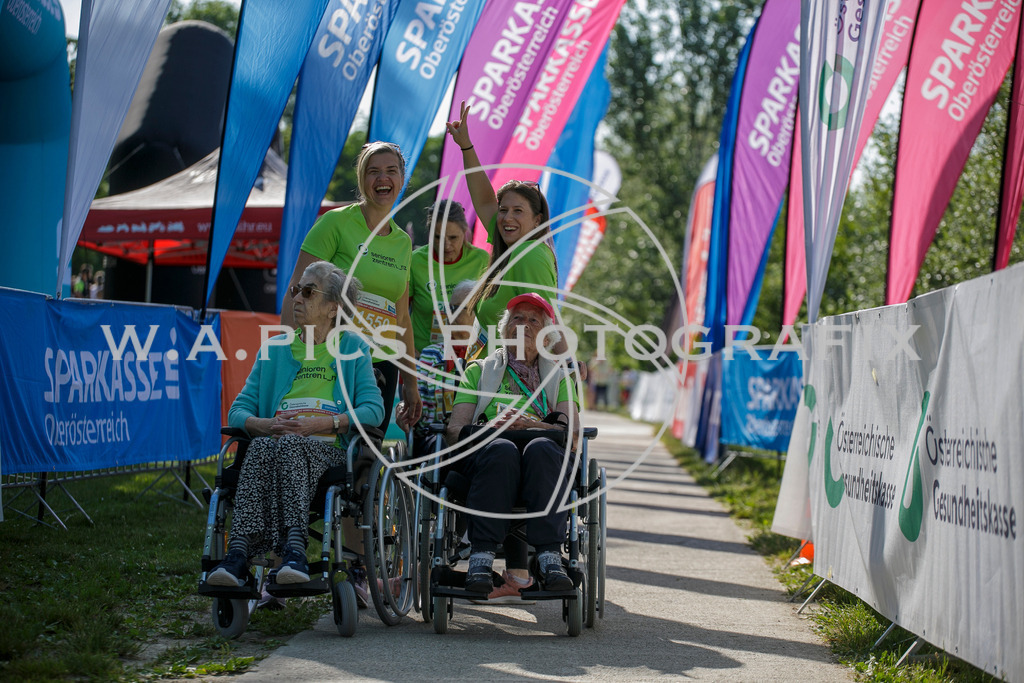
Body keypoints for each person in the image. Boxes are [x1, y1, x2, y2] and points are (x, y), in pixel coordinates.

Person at [207, 262, 384, 589]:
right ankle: (238, 557)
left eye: (308, 291)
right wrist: (266, 424)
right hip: (274, 447)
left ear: (333, 308)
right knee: (263, 444)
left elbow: (373, 410)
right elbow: (237, 412)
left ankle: (294, 550)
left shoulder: (352, 348)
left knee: (283, 445)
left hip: (326, 453)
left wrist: (322, 423)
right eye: (295, 291)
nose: (297, 299)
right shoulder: (274, 349)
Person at [446, 293, 581, 596]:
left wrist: (534, 426)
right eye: (517, 318)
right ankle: (481, 559)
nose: (524, 325)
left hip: (544, 461)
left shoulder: (561, 378)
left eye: (534, 320)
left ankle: (549, 557)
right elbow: (455, 430)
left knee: (542, 448)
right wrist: (491, 428)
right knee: (502, 449)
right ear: (505, 330)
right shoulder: (478, 371)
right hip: (490, 457)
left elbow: (570, 434)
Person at [283, 141, 422, 432]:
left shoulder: (403, 242)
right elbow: (296, 292)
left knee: (363, 465)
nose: (383, 178)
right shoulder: (335, 223)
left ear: (401, 179)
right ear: (362, 179)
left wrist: (411, 382)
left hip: (381, 367)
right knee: (325, 448)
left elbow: (402, 317)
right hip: (332, 359)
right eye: (374, 172)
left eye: (391, 171)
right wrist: (291, 355)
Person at [446, 102, 559, 354]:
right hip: (487, 378)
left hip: (511, 387)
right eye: (504, 210)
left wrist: (565, 375)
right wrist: (465, 145)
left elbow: (549, 328)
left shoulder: (530, 254)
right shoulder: (511, 249)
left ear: (537, 220)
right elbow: (485, 201)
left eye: (518, 211)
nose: (507, 218)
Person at [409, 200, 489, 355]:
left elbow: (489, 315)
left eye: (453, 238)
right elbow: (400, 313)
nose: (446, 246)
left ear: (465, 231)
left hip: (468, 359)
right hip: (423, 358)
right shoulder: (415, 261)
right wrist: (413, 355)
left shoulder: (482, 260)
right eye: (438, 237)